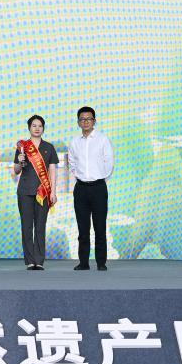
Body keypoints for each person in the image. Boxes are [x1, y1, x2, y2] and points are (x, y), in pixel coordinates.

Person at [68, 106, 114, 271]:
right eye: (82, 119)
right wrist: (82, 178)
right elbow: (72, 164)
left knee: (100, 226)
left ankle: (101, 263)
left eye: (89, 119)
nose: (85, 122)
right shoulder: (74, 142)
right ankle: (83, 262)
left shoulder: (102, 139)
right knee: (82, 228)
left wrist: (99, 179)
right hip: (81, 188)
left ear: (94, 121)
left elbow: (109, 163)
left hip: (98, 188)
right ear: (78, 122)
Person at [13, 115, 59, 271]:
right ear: (29, 128)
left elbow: (52, 170)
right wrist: (19, 161)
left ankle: (39, 260)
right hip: (25, 191)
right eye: (34, 125)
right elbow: (16, 170)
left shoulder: (49, 147)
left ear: (43, 128)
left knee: (40, 226)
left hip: (43, 192)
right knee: (26, 226)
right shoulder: (22, 146)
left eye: (40, 126)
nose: (37, 128)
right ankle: (29, 260)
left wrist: (53, 192)